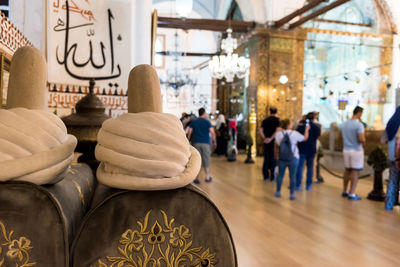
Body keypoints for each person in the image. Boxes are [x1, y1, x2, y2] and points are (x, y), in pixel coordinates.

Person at [274, 119, 309, 200]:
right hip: (294, 157)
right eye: (291, 123)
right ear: (289, 125)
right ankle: (292, 194)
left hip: (282, 158)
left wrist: (276, 156)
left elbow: (276, 146)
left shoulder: (278, 134)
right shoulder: (294, 133)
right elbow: (305, 138)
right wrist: (307, 130)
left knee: (280, 175)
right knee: (292, 176)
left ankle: (278, 192)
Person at [341, 106, 365, 200]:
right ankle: (352, 193)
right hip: (356, 150)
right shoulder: (359, 125)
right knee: (355, 171)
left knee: (347, 170)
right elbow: (361, 138)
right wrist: (364, 142)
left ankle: (344, 190)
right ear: (359, 113)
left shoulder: (344, 124)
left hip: (346, 149)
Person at [187, 108, 217, 184]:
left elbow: (189, 132)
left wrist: (188, 141)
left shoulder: (194, 122)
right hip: (206, 143)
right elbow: (212, 132)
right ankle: (207, 177)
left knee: (197, 160)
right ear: (204, 113)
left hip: (196, 143)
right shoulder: (207, 122)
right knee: (206, 159)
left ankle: (197, 178)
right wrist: (214, 142)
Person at [295, 112, 321, 191]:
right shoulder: (316, 127)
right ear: (314, 118)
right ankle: (308, 185)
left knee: (300, 167)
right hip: (311, 149)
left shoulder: (300, 126)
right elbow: (318, 136)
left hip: (302, 149)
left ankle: (298, 185)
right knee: (310, 168)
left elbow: (297, 136)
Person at [383, 106, 400, 210]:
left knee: (392, 181)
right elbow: (398, 142)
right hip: (398, 156)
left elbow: (383, 140)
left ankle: (389, 204)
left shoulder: (391, 123)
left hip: (391, 156)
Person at [259, 107, 280, 181]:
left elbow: (261, 130)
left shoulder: (265, 120)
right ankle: (272, 176)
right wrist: (271, 138)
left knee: (266, 158)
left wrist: (265, 138)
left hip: (266, 142)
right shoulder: (277, 120)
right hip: (273, 142)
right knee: (273, 158)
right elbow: (277, 130)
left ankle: (265, 175)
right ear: (276, 112)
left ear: (270, 112)